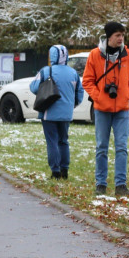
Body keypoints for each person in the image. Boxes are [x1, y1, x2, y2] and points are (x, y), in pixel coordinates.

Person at [82, 21, 129, 197]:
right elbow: (87, 81)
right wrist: (99, 96)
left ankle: (120, 185)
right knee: (101, 147)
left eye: (122, 35)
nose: (121, 38)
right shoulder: (94, 55)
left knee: (122, 147)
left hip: (122, 108)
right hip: (102, 109)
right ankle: (100, 184)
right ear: (108, 37)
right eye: (117, 35)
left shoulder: (128, 55)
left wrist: (127, 94)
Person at [29, 44, 84, 178]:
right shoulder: (73, 73)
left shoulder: (46, 71)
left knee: (52, 141)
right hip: (66, 114)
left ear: (52, 56)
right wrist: (72, 105)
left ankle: (55, 171)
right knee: (63, 141)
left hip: (49, 112)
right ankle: (65, 170)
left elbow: (33, 88)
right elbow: (80, 93)